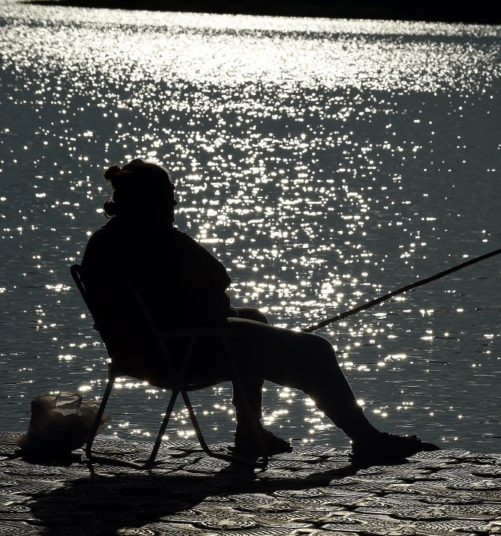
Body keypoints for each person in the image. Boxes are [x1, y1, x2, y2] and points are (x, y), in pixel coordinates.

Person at [80, 159, 439, 462]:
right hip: (181, 354)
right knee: (316, 349)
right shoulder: (158, 240)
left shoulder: (104, 242)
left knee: (253, 318)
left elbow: (179, 302)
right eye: (170, 201)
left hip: (140, 353)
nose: (175, 208)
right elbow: (219, 279)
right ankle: (367, 440)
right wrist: (177, 237)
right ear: (153, 203)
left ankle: (250, 434)